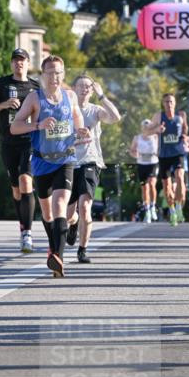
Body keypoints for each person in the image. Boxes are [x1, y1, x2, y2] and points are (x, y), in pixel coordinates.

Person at [10, 55, 89, 277]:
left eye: (58, 72)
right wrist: (37, 125)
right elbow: (15, 127)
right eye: (50, 72)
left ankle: (58, 257)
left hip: (65, 158)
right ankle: (54, 248)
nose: (54, 76)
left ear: (63, 74)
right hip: (41, 160)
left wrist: (81, 130)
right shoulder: (35, 99)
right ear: (43, 75)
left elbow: (77, 119)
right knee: (47, 214)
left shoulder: (70, 96)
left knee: (60, 204)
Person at [0, 48, 39, 254]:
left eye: (22, 60)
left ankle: (28, 233)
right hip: (8, 142)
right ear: (11, 64)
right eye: (15, 60)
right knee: (16, 188)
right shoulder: (2, 84)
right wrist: (4, 104)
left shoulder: (35, 87)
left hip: (29, 140)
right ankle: (23, 226)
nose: (19, 64)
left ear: (28, 63)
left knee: (26, 180)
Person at [65, 75, 121, 262]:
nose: (85, 89)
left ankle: (82, 250)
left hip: (91, 162)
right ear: (73, 88)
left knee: (85, 206)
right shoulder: (67, 111)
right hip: (70, 162)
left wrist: (102, 95)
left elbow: (115, 117)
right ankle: (73, 225)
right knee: (69, 214)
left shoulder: (95, 110)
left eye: (89, 86)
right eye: (81, 85)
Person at [148, 93, 189, 226]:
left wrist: (183, 137)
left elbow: (184, 129)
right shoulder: (158, 116)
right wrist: (157, 129)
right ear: (163, 103)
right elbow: (146, 131)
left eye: (171, 102)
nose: (169, 104)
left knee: (180, 177)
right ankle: (172, 211)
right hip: (164, 155)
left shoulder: (181, 115)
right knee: (167, 186)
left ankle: (178, 208)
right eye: (166, 102)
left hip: (178, 153)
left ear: (175, 103)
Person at [129, 119, 159, 224]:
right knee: (145, 188)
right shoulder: (137, 138)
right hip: (142, 164)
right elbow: (132, 150)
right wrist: (135, 154)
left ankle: (153, 206)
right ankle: (147, 210)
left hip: (153, 163)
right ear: (142, 127)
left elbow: (160, 149)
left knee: (151, 184)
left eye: (148, 127)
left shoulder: (155, 137)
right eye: (144, 127)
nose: (146, 129)